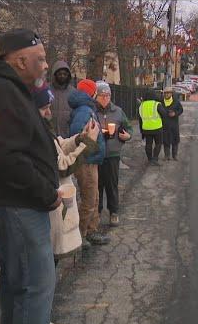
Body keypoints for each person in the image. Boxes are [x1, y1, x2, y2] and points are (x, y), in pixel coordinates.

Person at [0, 29, 61, 324]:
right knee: (34, 286)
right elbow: (8, 159)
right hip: (16, 204)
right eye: (40, 59)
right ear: (20, 60)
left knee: (17, 283)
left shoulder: (10, 88)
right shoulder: (1, 91)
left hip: (15, 203)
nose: (46, 64)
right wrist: (46, 193)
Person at [34, 86, 99, 324]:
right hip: (50, 207)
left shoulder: (43, 130)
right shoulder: (36, 133)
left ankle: (42, 320)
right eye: (45, 108)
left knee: (49, 267)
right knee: (46, 271)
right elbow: (61, 167)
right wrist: (89, 144)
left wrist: (80, 138)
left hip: (54, 206)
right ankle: (41, 323)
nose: (49, 111)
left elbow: (60, 145)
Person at [68, 79, 109, 249]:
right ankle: (80, 235)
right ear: (91, 93)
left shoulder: (85, 109)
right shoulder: (85, 111)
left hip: (91, 160)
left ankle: (91, 230)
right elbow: (78, 135)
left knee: (95, 197)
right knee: (89, 199)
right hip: (87, 161)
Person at [93, 81, 132, 227]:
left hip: (113, 155)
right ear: (96, 96)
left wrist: (127, 136)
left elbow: (128, 129)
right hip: (96, 155)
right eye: (102, 95)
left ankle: (114, 212)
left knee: (112, 185)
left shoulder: (118, 111)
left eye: (107, 95)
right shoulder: (92, 111)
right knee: (97, 186)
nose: (105, 98)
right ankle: (96, 213)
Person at [49, 61, 78, 138]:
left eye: (65, 74)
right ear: (55, 75)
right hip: (49, 134)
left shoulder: (73, 92)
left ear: (68, 75)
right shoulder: (47, 90)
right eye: (59, 74)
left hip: (67, 135)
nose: (62, 76)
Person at [139, 91, 166, 166]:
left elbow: (140, 119)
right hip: (157, 128)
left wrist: (141, 130)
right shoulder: (156, 104)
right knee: (158, 143)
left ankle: (149, 159)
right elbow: (164, 114)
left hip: (146, 129)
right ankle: (155, 159)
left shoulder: (142, 105)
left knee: (148, 144)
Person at [161, 88, 182, 161]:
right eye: (165, 93)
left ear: (171, 93)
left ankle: (174, 155)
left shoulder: (176, 102)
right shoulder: (161, 102)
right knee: (165, 140)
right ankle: (167, 156)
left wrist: (175, 113)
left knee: (175, 140)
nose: (166, 94)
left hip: (174, 124)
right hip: (165, 125)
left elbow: (181, 110)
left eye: (168, 93)